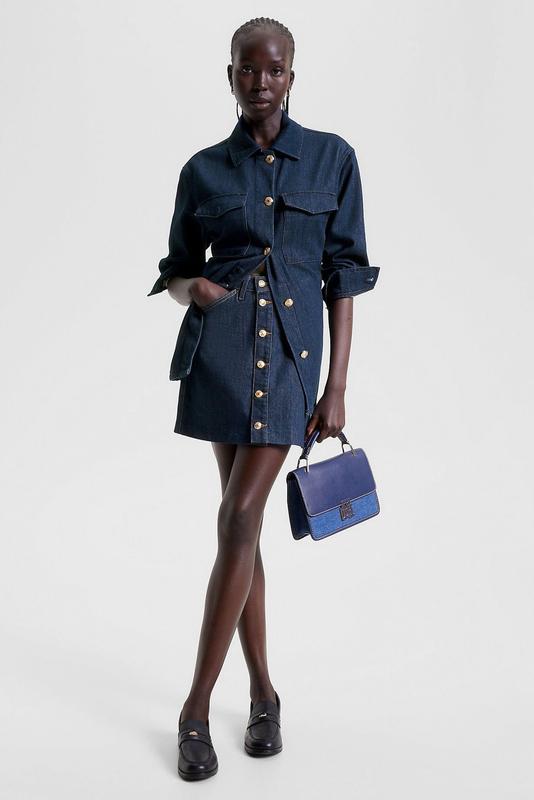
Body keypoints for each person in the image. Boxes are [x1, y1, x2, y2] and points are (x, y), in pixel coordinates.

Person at [147, 16, 380, 782]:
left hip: (290, 359)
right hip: (219, 356)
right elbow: (176, 270)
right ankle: (264, 696)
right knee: (240, 532)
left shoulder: (333, 158)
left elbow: (345, 277)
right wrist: (194, 288)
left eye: (273, 69)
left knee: (238, 518)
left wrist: (337, 386)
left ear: (291, 76)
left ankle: (193, 709)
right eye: (247, 69)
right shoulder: (203, 170)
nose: (260, 82)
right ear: (230, 76)